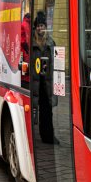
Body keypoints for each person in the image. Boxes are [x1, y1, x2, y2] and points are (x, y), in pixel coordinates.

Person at [30, 11, 55, 144]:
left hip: (46, 82)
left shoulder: (50, 42)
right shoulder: (31, 42)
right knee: (34, 110)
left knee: (47, 110)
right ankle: (32, 136)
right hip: (35, 82)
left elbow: (54, 62)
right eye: (38, 25)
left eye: (42, 25)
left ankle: (48, 136)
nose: (40, 28)